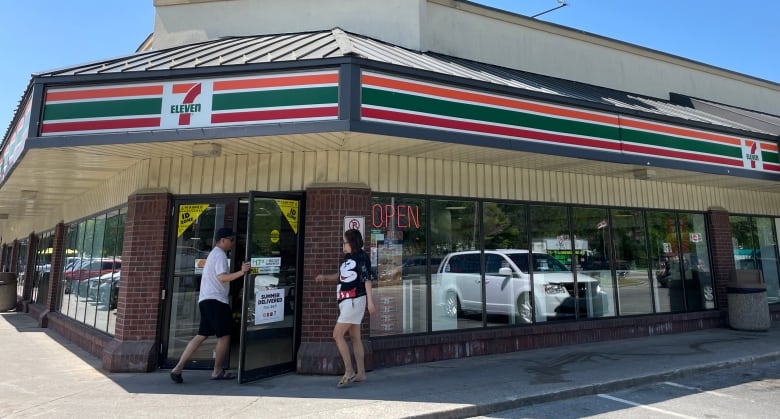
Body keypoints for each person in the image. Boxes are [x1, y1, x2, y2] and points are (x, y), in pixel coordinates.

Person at [170, 227, 250, 383]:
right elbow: (222, 278)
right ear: (222, 240)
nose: (233, 243)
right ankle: (217, 371)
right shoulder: (219, 255)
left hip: (205, 300)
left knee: (201, 335)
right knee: (224, 336)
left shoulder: (213, 254)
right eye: (231, 240)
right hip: (216, 301)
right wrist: (242, 272)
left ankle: (178, 368)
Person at [316, 229, 376, 387]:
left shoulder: (362, 257)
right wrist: (325, 277)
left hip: (355, 300)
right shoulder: (348, 257)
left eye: (345, 242)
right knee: (355, 338)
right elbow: (341, 275)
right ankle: (361, 373)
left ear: (352, 242)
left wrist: (370, 302)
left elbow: (367, 279)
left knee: (337, 334)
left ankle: (349, 371)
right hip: (345, 301)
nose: (343, 245)